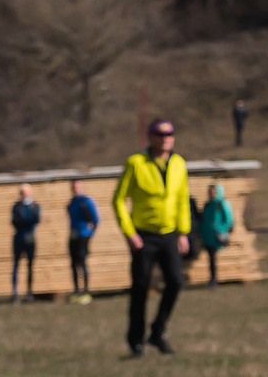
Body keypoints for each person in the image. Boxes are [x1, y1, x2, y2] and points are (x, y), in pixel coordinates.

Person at [114, 119, 189, 357]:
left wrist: (183, 231)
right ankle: (136, 341)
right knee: (140, 287)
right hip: (144, 235)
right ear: (151, 137)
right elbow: (118, 199)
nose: (165, 139)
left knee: (176, 282)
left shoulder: (178, 164)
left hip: (169, 234)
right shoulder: (136, 163)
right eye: (160, 134)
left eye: (169, 134)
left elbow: (182, 198)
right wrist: (129, 232)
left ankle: (158, 330)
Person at [195, 182, 235, 287]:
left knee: (212, 257)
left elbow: (229, 220)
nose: (211, 194)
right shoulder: (207, 205)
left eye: (213, 192)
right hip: (207, 235)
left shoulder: (222, 203)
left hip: (217, 236)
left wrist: (221, 229)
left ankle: (213, 279)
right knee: (211, 257)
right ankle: (212, 279)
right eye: (210, 192)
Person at [64, 181, 98, 303]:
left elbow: (96, 218)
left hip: (83, 235)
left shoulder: (86, 201)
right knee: (73, 263)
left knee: (82, 262)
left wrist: (90, 233)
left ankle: (86, 291)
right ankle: (76, 291)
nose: (75, 189)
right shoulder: (71, 203)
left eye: (77, 187)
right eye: (73, 187)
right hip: (73, 235)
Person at [9, 182, 41, 301]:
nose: (24, 194)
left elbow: (36, 219)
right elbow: (14, 222)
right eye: (22, 192)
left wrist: (25, 222)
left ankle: (29, 292)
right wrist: (27, 222)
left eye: (26, 192)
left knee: (30, 266)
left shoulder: (35, 206)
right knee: (16, 266)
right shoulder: (16, 206)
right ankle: (15, 293)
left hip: (30, 238)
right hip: (19, 238)